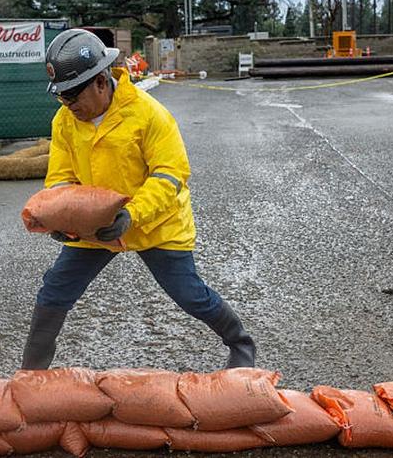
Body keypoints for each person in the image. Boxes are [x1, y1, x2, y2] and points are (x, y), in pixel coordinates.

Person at [21, 28, 256, 370]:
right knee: (55, 290)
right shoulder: (65, 121)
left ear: (101, 82)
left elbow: (170, 175)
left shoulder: (148, 115)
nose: (68, 104)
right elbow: (60, 178)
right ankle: (30, 373)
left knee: (189, 295)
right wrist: (59, 219)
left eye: (73, 95)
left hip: (157, 222)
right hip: (94, 228)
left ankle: (241, 345)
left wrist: (131, 216)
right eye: (62, 96)